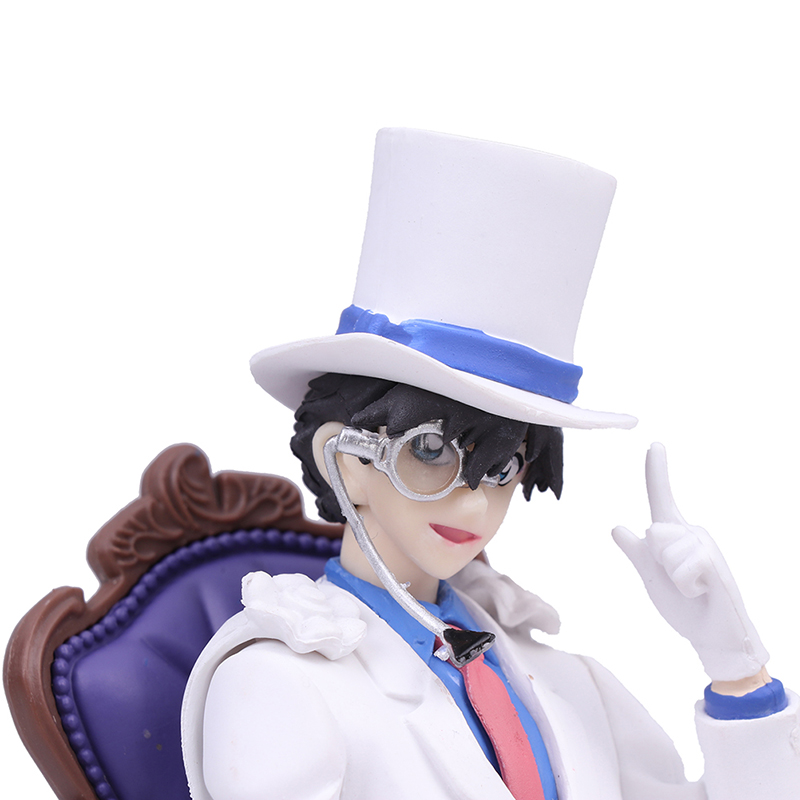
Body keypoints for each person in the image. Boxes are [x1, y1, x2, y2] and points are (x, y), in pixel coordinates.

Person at [181, 128, 800, 799]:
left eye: (503, 470)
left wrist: (735, 666)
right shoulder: (279, 686)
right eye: (430, 452)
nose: (476, 504)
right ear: (346, 459)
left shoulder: (569, 686)